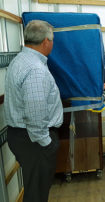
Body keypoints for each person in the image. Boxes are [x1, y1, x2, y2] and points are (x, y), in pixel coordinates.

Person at [4, 20, 63, 202]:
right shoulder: (36, 69)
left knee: (34, 189)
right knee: (37, 193)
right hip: (35, 141)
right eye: (52, 40)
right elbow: (35, 115)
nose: (53, 44)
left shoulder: (20, 60)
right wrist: (47, 144)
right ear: (46, 41)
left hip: (24, 137)